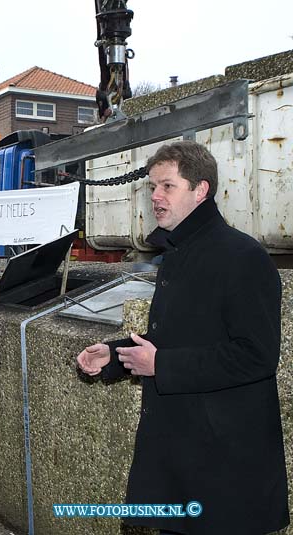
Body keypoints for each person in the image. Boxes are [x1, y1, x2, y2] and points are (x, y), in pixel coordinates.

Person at [76, 141, 288, 535]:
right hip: (183, 462)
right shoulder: (179, 251)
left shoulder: (243, 257)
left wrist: (161, 365)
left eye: (167, 186)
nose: (155, 196)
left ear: (200, 190)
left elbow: (256, 356)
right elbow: (179, 336)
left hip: (224, 471)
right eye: (152, 187)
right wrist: (115, 354)